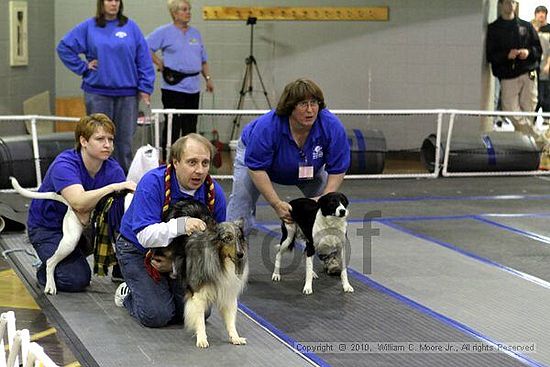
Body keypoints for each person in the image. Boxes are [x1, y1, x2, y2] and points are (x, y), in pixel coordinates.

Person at [114, 133, 226, 328]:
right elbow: (145, 236)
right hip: (138, 249)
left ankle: (160, 288)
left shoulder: (215, 193)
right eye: (192, 162)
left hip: (181, 255)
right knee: (157, 315)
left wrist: (175, 266)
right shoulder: (152, 183)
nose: (199, 171)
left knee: (200, 312)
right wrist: (182, 224)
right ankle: (128, 294)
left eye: (205, 163)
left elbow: (215, 248)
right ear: (175, 162)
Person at [226, 78, 350, 238]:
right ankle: (230, 251)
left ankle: (331, 253)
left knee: (332, 203)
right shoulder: (267, 126)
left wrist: (325, 197)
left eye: (314, 103)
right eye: (303, 104)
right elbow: (256, 168)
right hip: (258, 164)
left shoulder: (332, 125)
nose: (310, 110)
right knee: (241, 202)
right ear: (290, 107)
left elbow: (339, 167)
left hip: (308, 167)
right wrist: (276, 203)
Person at [27, 113, 137, 292]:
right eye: (100, 139)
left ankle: (78, 256)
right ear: (83, 141)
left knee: (121, 215)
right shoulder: (64, 164)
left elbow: (118, 215)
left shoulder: (113, 169)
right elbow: (78, 203)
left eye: (110, 139)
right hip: (48, 228)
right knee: (75, 279)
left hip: (86, 227)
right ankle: (46, 266)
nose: (107, 145)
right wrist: (112, 187)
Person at [57, 0, 155, 173]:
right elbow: (64, 47)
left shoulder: (131, 27)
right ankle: (95, 182)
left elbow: (144, 59)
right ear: (101, 3)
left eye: (117, 0)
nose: (114, 4)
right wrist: (83, 67)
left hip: (127, 95)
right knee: (97, 142)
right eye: (109, 0)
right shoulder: (89, 27)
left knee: (123, 143)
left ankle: (122, 185)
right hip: (98, 93)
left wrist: (145, 88)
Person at [146, 0, 214, 152]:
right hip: (173, 87)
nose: (188, 12)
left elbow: (203, 60)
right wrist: (159, 63)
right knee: (173, 125)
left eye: (189, 9)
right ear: (174, 13)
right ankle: (169, 158)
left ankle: (189, 156)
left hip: (193, 87)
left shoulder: (195, 33)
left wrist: (208, 79)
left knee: (190, 125)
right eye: (184, 10)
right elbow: (145, 46)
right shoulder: (163, 32)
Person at [486, 0, 549, 150]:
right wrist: (507, 55)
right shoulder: (494, 29)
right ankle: (541, 140)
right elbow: (491, 55)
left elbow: (537, 49)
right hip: (508, 75)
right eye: (508, 2)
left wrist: (528, 52)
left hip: (529, 72)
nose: (511, 6)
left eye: (513, 2)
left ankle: (527, 148)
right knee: (510, 109)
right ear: (501, 4)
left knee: (529, 109)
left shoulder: (526, 26)